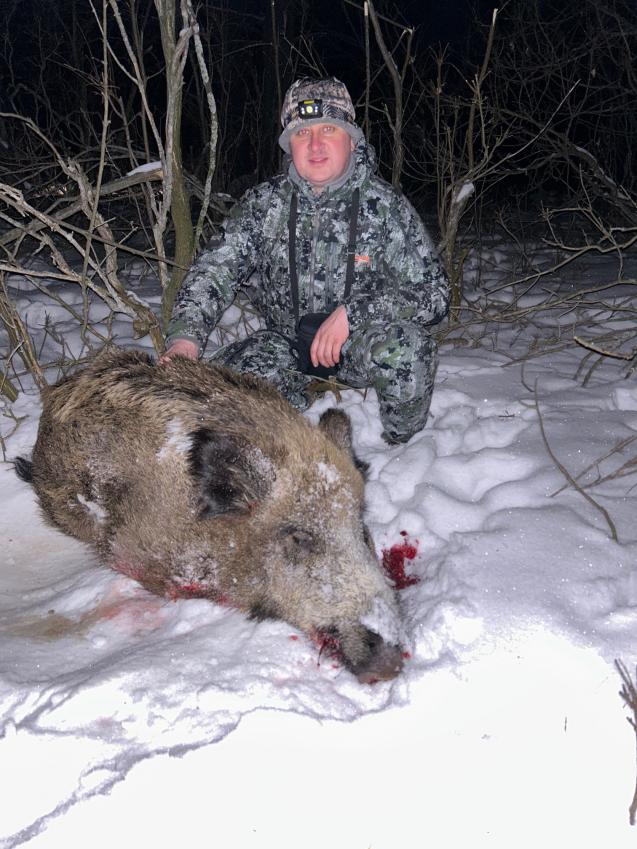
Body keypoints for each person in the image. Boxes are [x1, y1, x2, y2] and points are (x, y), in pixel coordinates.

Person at [162, 76, 449, 444]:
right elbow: (214, 272)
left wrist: (353, 314)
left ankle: (399, 448)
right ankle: (290, 405)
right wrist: (185, 339)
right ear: (289, 145)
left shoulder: (386, 208)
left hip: (359, 347)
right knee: (211, 398)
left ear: (352, 139)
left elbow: (435, 294)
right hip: (286, 347)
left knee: (408, 350)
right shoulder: (264, 204)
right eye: (301, 133)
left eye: (328, 129)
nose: (315, 144)